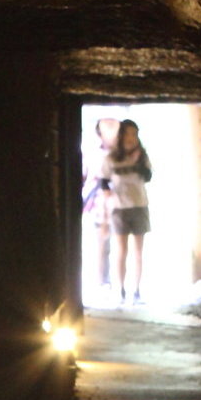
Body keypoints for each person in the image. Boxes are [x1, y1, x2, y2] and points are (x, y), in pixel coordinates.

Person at [102, 119, 152, 303]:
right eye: (128, 133)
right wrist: (109, 198)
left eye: (134, 134)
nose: (131, 138)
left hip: (139, 205)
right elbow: (103, 181)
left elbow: (148, 177)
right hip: (119, 209)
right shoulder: (111, 158)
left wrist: (138, 162)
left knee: (138, 251)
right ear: (121, 135)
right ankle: (120, 290)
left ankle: (136, 291)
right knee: (120, 251)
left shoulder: (142, 156)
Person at [86, 117, 120, 294]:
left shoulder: (124, 154)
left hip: (122, 203)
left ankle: (118, 281)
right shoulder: (94, 154)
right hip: (99, 204)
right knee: (102, 243)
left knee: (121, 243)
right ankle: (103, 282)